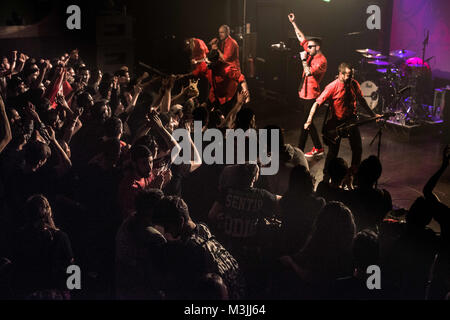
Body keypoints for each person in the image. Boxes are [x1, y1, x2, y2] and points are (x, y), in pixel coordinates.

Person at [152, 196, 245, 299]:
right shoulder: (202, 229)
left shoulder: (192, 251)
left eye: (167, 226)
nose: (166, 231)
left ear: (181, 221)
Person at [304, 62, 380, 181]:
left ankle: (353, 174)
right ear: (341, 74)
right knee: (333, 152)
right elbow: (316, 103)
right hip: (337, 124)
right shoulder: (332, 87)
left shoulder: (354, 84)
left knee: (357, 148)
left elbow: (362, 101)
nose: (351, 78)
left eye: (352, 75)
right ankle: (326, 176)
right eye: (348, 75)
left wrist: (373, 115)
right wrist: (309, 121)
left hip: (351, 122)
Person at [288, 13, 327, 157]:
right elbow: (301, 38)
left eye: (310, 47)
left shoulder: (321, 61)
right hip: (303, 92)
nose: (307, 48)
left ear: (317, 47)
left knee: (305, 122)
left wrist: (303, 60)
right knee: (307, 123)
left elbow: (309, 72)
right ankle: (318, 147)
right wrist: (293, 23)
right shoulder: (310, 51)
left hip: (312, 95)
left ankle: (298, 150)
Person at [210, 25, 250, 103]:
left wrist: (216, 49)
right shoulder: (223, 42)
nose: (220, 34)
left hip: (231, 68)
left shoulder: (231, 43)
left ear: (227, 32)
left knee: (240, 78)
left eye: (222, 32)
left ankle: (247, 97)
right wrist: (213, 46)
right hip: (225, 67)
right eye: (219, 32)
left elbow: (225, 58)